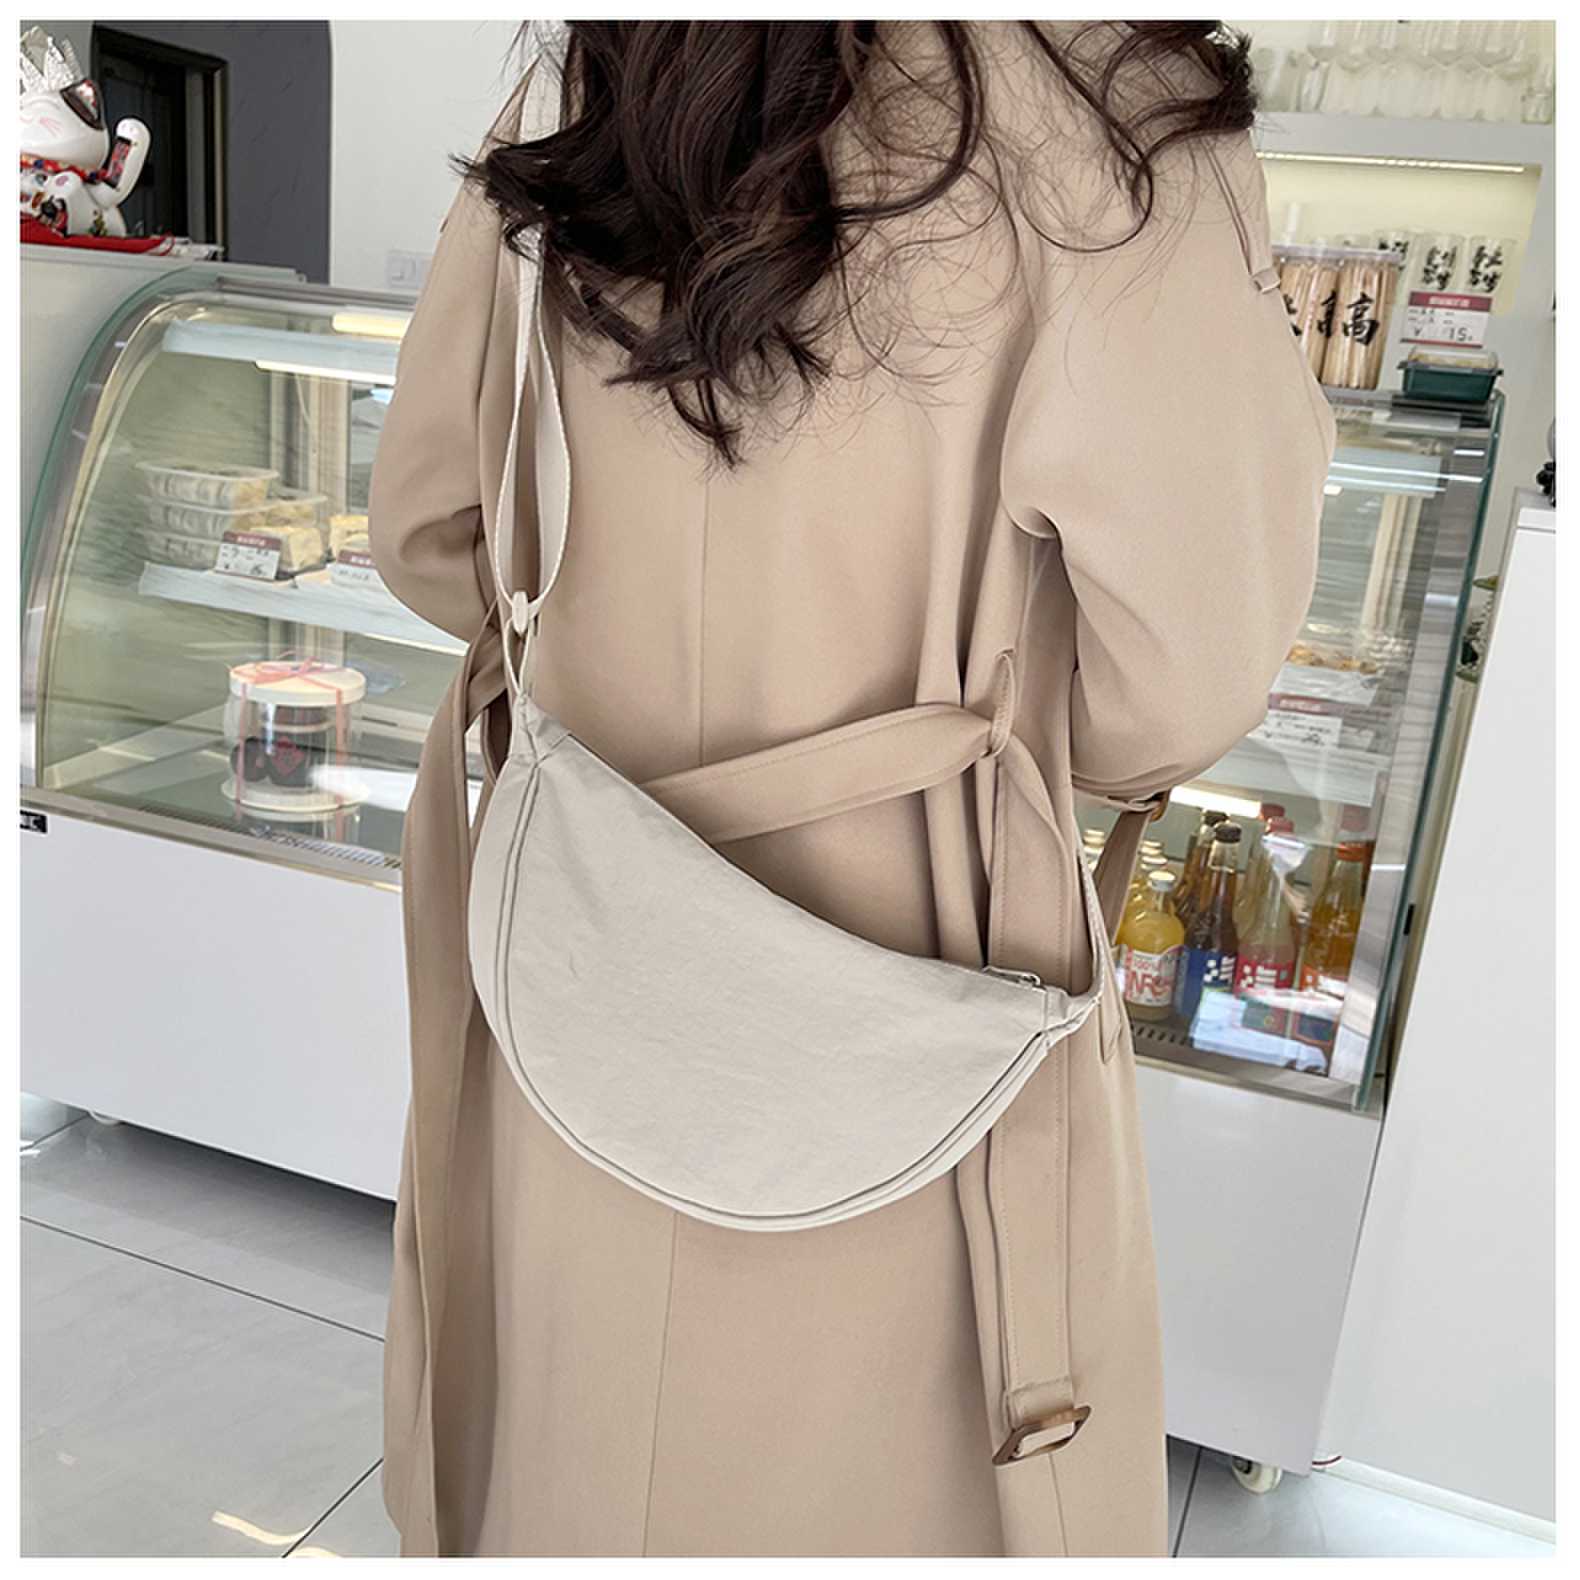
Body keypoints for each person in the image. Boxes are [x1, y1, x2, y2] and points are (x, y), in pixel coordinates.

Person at [369, 20, 1333, 1558]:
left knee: (568, 1447)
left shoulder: (595, 72)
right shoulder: (1118, 116)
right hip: (923, 1009)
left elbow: (428, 534)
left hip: (581, 958)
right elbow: (1184, 686)